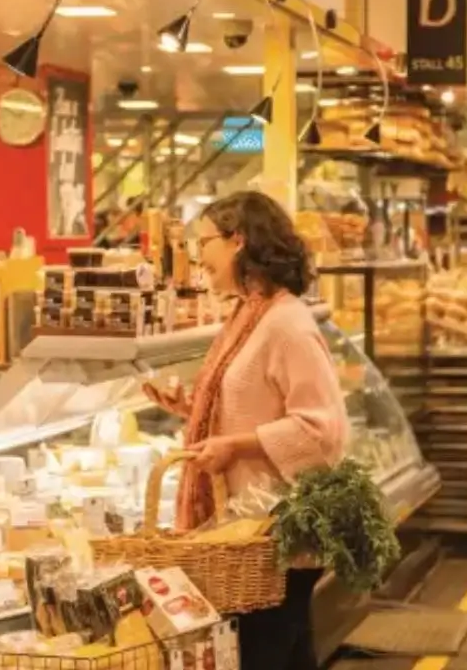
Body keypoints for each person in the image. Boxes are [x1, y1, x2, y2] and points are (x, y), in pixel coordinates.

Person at [141, 191, 346, 669]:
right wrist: (191, 408)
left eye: (205, 242)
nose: (199, 257)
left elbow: (323, 430)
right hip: (246, 537)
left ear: (238, 242)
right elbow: (253, 403)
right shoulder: (245, 315)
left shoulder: (287, 323)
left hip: (274, 539)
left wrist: (234, 445)